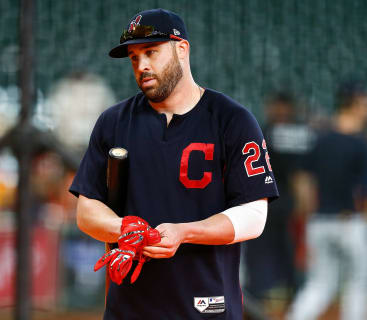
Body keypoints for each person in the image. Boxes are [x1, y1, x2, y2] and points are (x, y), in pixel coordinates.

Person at [70, 8, 278, 319]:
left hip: (207, 305)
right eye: (134, 58)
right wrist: (124, 227)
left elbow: (253, 215)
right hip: (129, 308)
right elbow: (87, 210)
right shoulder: (113, 122)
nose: (142, 65)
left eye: (151, 52)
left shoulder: (231, 120)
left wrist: (184, 232)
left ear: (181, 49)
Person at [286, 80, 367, 320]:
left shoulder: (321, 139)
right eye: (365, 101)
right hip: (351, 223)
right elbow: (366, 190)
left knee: (320, 285)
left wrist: (306, 213)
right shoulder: (360, 143)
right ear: (355, 103)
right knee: (358, 284)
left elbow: (301, 178)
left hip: (320, 223)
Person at [244, 92, 313, 301]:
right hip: (273, 200)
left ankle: (275, 292)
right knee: (278, 248)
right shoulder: (298, 132)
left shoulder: (261, 129)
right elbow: (300, 176)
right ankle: (279, 292)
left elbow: (299, 176)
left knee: (278, 248)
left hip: (269, 199)